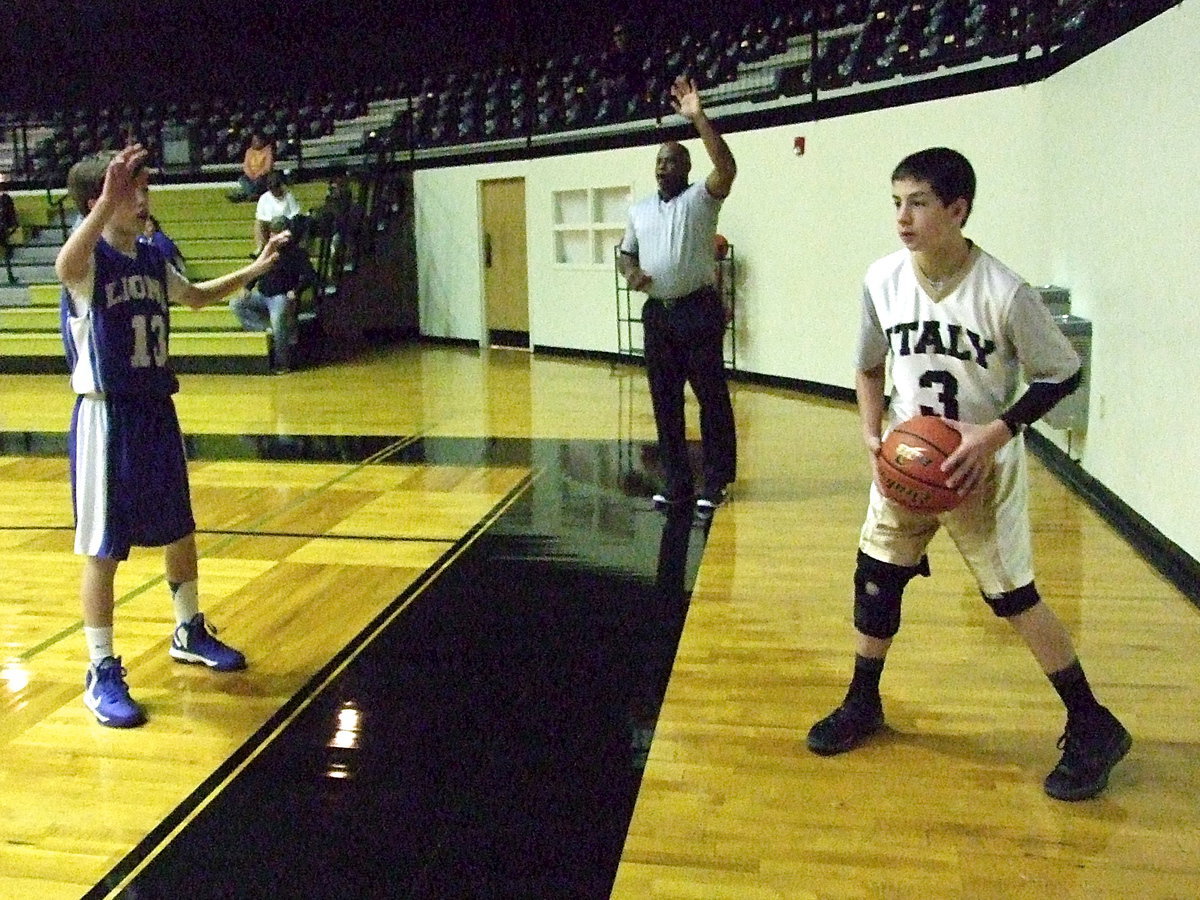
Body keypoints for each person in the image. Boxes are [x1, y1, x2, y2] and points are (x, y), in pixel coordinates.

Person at [807, 147, 1130, 801]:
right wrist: (871, 431)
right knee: (875, 580)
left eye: (918, 202)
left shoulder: (1005, 292)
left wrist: (997, 432)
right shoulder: (882, 281)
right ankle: (862, 700)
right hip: (905, 461)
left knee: (1013, 597)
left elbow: (1064, 371)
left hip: (978, 469)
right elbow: (869, 367)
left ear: (957, 209)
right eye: (896, 201)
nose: (902, 217)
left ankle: (1094, 724)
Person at [56, 144, 289, 728]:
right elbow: (64, 266)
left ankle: (188, 628)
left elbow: (196, 295)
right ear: (99, 200)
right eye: (128, 189)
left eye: (141, 187)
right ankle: (101, 668)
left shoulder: (152, 256)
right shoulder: (88, 265)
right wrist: (105, 201)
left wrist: (255, 271)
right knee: (104, 549)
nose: (143, 195)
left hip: (156, 409)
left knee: (179, 527)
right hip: (105, 416)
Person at [618, 76, 737, 513]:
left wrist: (698, 118)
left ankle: (717, 480)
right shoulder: (639, 210)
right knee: (664, 401)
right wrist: (630, 272)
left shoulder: (701, 200)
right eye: (658, 161)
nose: (662, 167)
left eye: (670, 161)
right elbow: (625, 253)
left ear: (685, 168)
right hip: (659, 317)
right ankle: (676, 482)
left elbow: (727, 169)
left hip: (698, 310)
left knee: (710, 397)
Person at [231, 215, 316, 372]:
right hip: (263, 295)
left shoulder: (297, 253)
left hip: (281, 296)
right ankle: (265, 330)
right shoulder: (266, 251)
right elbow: (256, 271)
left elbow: (310, 276)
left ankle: (281, 363)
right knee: (236, 304)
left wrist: (295, 291)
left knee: (278, 321)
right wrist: (248, 288)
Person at [254, 170, 301, 253]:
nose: (275, 191)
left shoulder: (288, 196)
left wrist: (284, 220)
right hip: (269, 223)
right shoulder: (264, 198)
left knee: (281, 223)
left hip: (285, 223)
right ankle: (261, 248)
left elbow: (295, 213)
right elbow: (260, 215)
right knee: (258, 224)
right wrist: (270, 221)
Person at [228, 132, 274, 202]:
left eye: (256, 141)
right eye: (253, 141)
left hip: (262, 176)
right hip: (250, 176)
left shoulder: (268, 151)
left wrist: (257, 175)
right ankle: (253, 195)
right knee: (242, 179)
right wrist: (251, 175)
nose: (253, 143)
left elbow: (267, 167)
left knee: (259, 181)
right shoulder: (249, 151)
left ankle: (245, 195)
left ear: (262, 142)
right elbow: (246, 166)